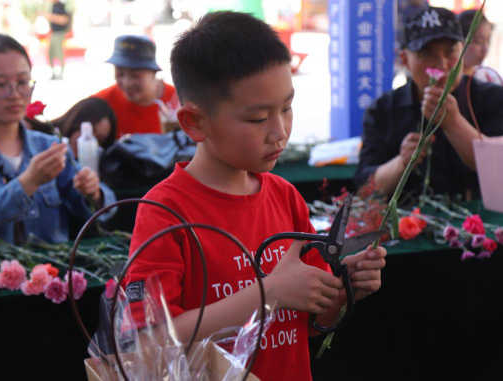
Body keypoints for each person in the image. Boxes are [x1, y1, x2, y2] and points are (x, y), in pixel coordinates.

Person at [122, 12, 386, 380]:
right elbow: (147, 343)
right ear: (195, 123)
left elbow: (310, 323)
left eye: (287, 108)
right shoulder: (166, 211)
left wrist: (343, 291)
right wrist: (268, 292)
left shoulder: (284, 196)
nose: (279, 132)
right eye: (258, 119)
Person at [0, 34, 116, 244]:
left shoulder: (48, 147)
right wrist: (27, 183)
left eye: (23, 82)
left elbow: (96, 212)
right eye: (0, 84)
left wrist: (93, 193)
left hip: (54, 273)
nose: (15, 93)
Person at [356, 7, 503, 200]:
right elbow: (364, 188)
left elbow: (498, 169)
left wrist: (454, 123)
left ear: (462, 51)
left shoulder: (492, 98)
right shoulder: (383, 109)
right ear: (405, 60)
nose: (442, 64)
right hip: (405, 224)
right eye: (427, 54)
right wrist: (402, 162)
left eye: (450, 51)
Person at [92, 35, 177, 138]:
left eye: (135, 76)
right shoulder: (102, 103)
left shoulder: (176, 102)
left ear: (153, 73)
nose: (127, 83)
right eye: (120, 74)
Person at [26, 97, 117, 159]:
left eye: (99, 140)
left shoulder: (81, 172)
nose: (89, 139)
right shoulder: (31, 133)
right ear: (77, 118)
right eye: (89, 130)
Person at [457, 9, 503, 85]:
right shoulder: (447, 82)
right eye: (478, 42)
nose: (485, 48)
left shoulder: (491, 78)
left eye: (488, 40)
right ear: (460, 43)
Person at [42, 0, 70, 80]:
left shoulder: (60, 5)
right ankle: (53, 72)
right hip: (53, 33)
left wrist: (49, 16)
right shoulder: (53, 6)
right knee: (51, 53)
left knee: (59, 53)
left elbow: (63, 20)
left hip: (59, 33)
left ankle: (61, 72)